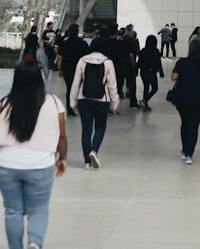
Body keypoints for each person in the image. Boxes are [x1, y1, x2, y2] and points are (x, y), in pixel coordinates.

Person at [0, 60, 67, 249]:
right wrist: (62, 159)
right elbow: (62, 136)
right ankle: (35, 243)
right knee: (38, 209)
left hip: (5, 165)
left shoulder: (2, 104)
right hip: (40, 165)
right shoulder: (54, 104)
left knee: (13, 211)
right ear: (40, 79)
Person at [70, 35, 119, 168]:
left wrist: (72, 102)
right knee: (100, 127)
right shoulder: (108, 62)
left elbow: (76, 82)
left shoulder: (82, 61)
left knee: (86, 130)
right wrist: (115, 103)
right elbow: (112, 85)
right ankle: (94, 151)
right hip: (102, 100)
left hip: (83, 99)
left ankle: (87, 162)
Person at [170, 36, 200, 164]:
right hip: (199, 98)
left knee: (185, 123)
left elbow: (173, 77)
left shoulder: (182, 62)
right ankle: (189, 154)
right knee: (194, 126)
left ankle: (184, 150)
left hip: (183, 97)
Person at [57, 22, 87, 116]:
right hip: (80, 68)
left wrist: (59, 69)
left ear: (69, 32)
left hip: (67, 68)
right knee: (79, 87)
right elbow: (86, 57)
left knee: (69, 88)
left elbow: (60, 57)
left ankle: (70, 109)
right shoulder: (83, 43)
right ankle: (78, 105)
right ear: (77, 32)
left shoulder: (64, 43)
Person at [139, 34, 164, 109]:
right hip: (151, 72)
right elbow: (158, 63)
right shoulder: (156, 51)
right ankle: (144, 100)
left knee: (146, 87)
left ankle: (145, 104)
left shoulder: (143, 51)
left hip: (143, 72)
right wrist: (161, 72)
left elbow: (139, 62)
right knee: (154, 88)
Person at [121, 23, 140, 108]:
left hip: (121, 66)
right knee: (132, 84)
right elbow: (132, 55)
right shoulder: (132, 43)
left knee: (119, 83)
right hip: (129, 67)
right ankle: (132, 101)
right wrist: (134, 66)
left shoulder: (122, 41)